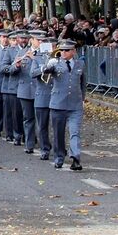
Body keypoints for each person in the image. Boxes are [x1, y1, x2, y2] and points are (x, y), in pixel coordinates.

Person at [43, 40, 86, 170]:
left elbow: (83, 83)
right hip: (58, 104)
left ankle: (76, 157)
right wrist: (48, 65)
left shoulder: (80, 64)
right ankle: (59, 157)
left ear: (73, 51)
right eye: (61, 50)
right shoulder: (55, 63)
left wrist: (82, 99)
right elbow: (45, 73)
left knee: (74, 132)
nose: (63, 52)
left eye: (67, 50)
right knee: (58, 133)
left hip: (75, 104)